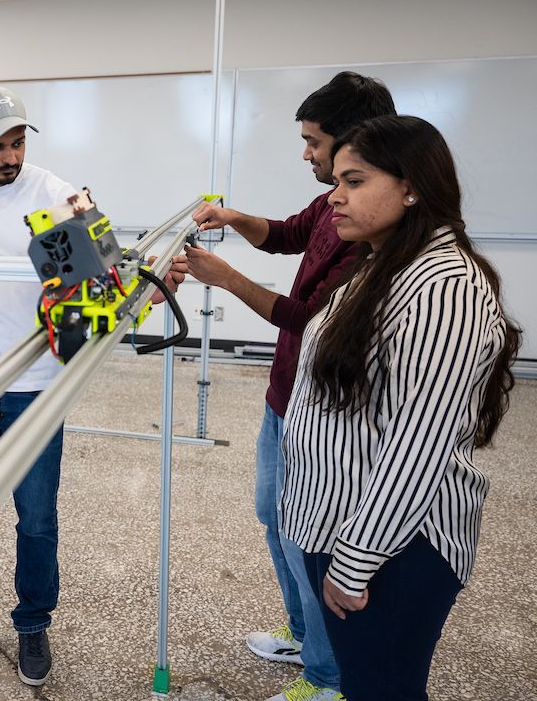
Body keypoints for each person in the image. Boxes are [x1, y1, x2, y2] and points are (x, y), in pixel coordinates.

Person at [0, 85, 185, 687]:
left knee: (36, 516)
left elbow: (105, 279)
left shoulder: (56, 194)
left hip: (36, 383)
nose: (9, 156)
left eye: (17, 143)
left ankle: (33, 622)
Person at [280, 115, 520, 700]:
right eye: (336, 180)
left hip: (394, 547)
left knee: (384, 690)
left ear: (412, 187)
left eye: (354, 181)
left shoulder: (444, 289)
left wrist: (357, 561)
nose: (334, 196)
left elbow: (420, 443)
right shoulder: (384, 263)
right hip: (346, 523)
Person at [184, 71, 395, 701]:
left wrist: (226, 279)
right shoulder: (334, 199)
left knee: (308, 535)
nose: (306, 153)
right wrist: (233, 217)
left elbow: (310, 321)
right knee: (274, 516)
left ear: (355, 142)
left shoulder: (372, 230)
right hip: (287, 396)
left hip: (326, 408)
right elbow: (287, 235)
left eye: (314, 141)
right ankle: (307, 635)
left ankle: (327, 678)